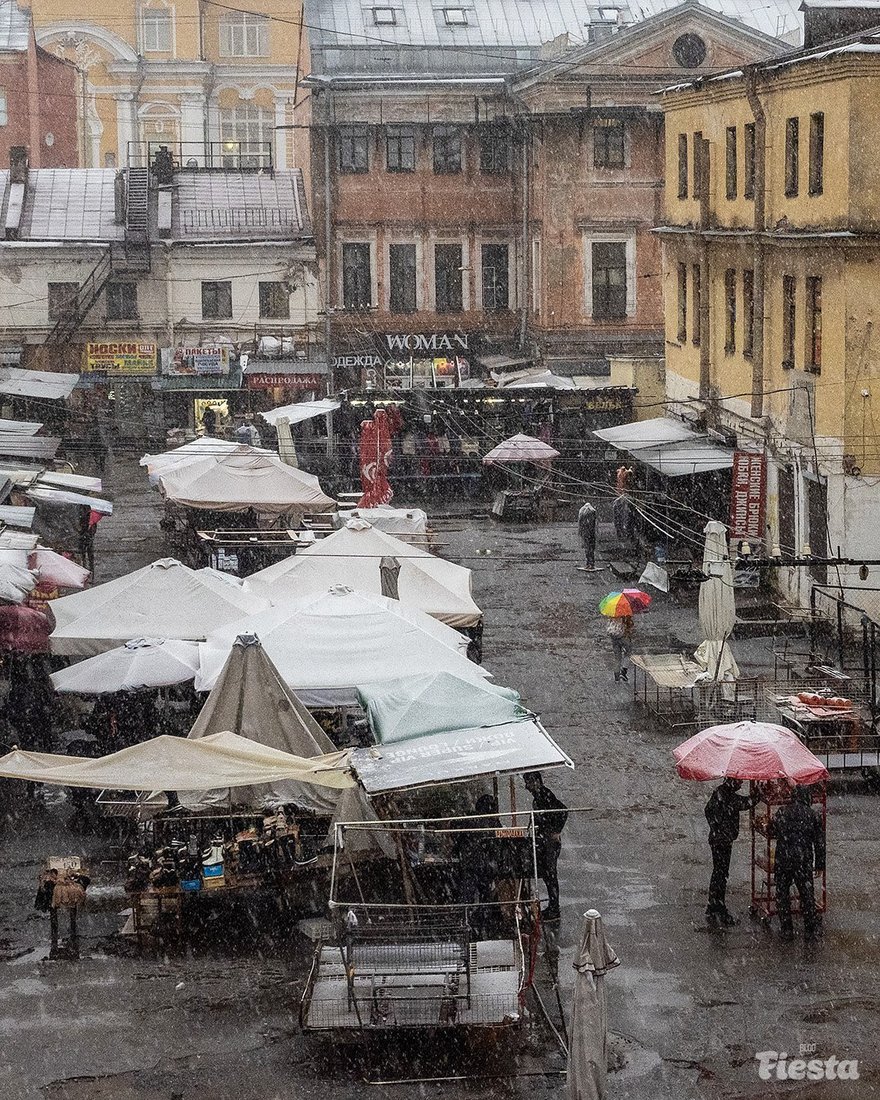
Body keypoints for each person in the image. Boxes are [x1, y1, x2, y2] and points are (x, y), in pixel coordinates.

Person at [772, 786, 825, 943]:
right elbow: (819, 843)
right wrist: (820, 864)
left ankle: (787, 929)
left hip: (783, 859)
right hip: (803, 860)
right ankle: (809, 930)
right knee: (807, 895)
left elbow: (772, 830)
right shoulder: (813, 816)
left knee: (782, 893)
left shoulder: (782, 812)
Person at [704, 777, 757, 927]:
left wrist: (715, 827)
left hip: (717, 839)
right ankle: (719, 908)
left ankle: (713, 905)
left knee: (718, 873)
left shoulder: (720, 792)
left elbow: (707, 810)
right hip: (723, 841)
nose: (741, 784)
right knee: (721, 874)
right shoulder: (728, 796)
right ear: (733, 782)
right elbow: (746, 803)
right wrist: (758, 795)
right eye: (739, 782)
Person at [523, 773, 568, 920]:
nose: (526, 787)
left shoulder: (544, 795)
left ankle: (554, 908)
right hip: (544, 840)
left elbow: (563, 810)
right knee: (548, 874)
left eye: (528, 783)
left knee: (550, 874)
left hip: (549, 842)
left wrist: (556, 831)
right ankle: (553, 906)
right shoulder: (539, 796)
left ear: (536, 782)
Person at [607, 613, 634, 682]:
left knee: (617, 657)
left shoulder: (612, 615)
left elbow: (609, 627)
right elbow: (630, 627)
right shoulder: (626, 614)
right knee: (628, 652)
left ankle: (616, 676)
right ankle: (624, 671)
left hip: (614, 638)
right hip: (623, 637)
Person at [577, 501, 598, 570]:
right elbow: (594, 525)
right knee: (591, 548)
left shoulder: (582, 513)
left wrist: (581, 532)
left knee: (587, 549)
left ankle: (589, 563)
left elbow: (580, 524)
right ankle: (591, 563)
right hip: (590, 533)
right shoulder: (592, 512)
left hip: (585, 533)